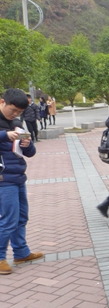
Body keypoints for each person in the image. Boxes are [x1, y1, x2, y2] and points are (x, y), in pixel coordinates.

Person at [0, 89, 44, 275]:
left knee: (21, 217)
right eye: (13, 110)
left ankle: (21, 252)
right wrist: (5, 135)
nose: (15, 114)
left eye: (19, 112)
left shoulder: (17, 124)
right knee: (8, 220)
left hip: (18, 177)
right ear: (2, 102)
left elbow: (30, 152)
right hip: (3, 179)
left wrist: (28, 144)